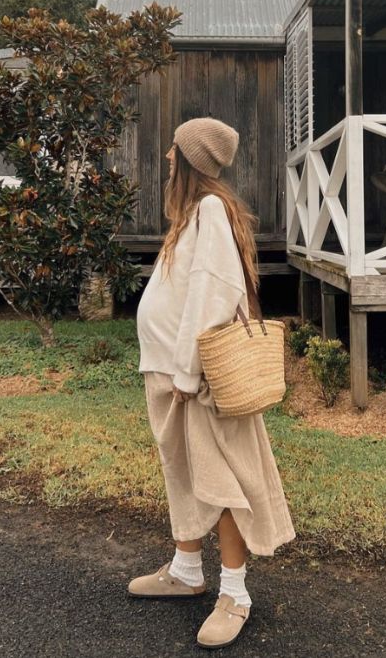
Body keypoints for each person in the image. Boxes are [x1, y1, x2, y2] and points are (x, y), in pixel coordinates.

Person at [130, 116, 296, 649]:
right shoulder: (191, 215)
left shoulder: (208, 210)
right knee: (182, 470)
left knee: (220, 481)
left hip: (193, 379)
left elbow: (212, 294)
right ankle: (185, 569)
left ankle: (235, 595)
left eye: (174, 150)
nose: (168, 159)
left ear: (190, 160)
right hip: (167, 369)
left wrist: (185, 371)